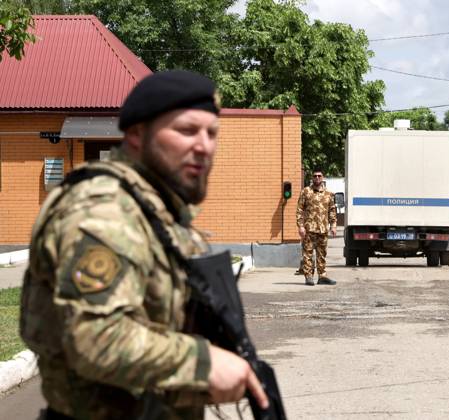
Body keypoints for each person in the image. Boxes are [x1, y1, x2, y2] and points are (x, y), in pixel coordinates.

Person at [20, 70, 268, 419]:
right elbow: (97, 338)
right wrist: (200, 362)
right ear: (136, 135)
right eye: (186, 130)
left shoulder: (151, 210)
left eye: (211, 133)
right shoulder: (106, 210)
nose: (203, 146)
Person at [296, 169, 337, 286]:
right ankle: (308, 276)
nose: (317, 178)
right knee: (307, 253)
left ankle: (322, 276)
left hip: (323, 229)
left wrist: (333, 225)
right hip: (309, 230)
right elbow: (299, 210)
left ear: (323, 177)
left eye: (319, 176)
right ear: (312, 178)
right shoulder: (306, 192)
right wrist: (301, 226)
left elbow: (332, 211)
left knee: (322, 254)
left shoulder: (329, 194)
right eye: (315, 176)